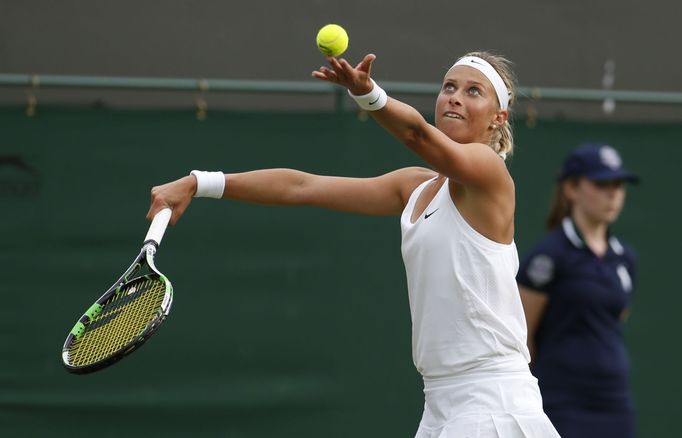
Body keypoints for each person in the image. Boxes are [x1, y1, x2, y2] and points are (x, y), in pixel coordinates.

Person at [147, 51, 559, 437]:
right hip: (441, 402)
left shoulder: (490, 175)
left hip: (493, 401)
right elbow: (301, 186)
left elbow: (417, 134)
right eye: (449, 87)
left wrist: (369, 94)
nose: (454, 98)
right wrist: (199, 182)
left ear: (497, 117)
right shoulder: (414, 188)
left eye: (473, 91)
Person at [517, 143, 639, 438]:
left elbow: (613, 320)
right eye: (600, 184)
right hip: (560, 403)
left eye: (618, 185)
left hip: (614, 400)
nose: (613, 194)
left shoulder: (625, 259)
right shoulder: (548, 257)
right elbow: (521, 338)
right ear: (571, 189)